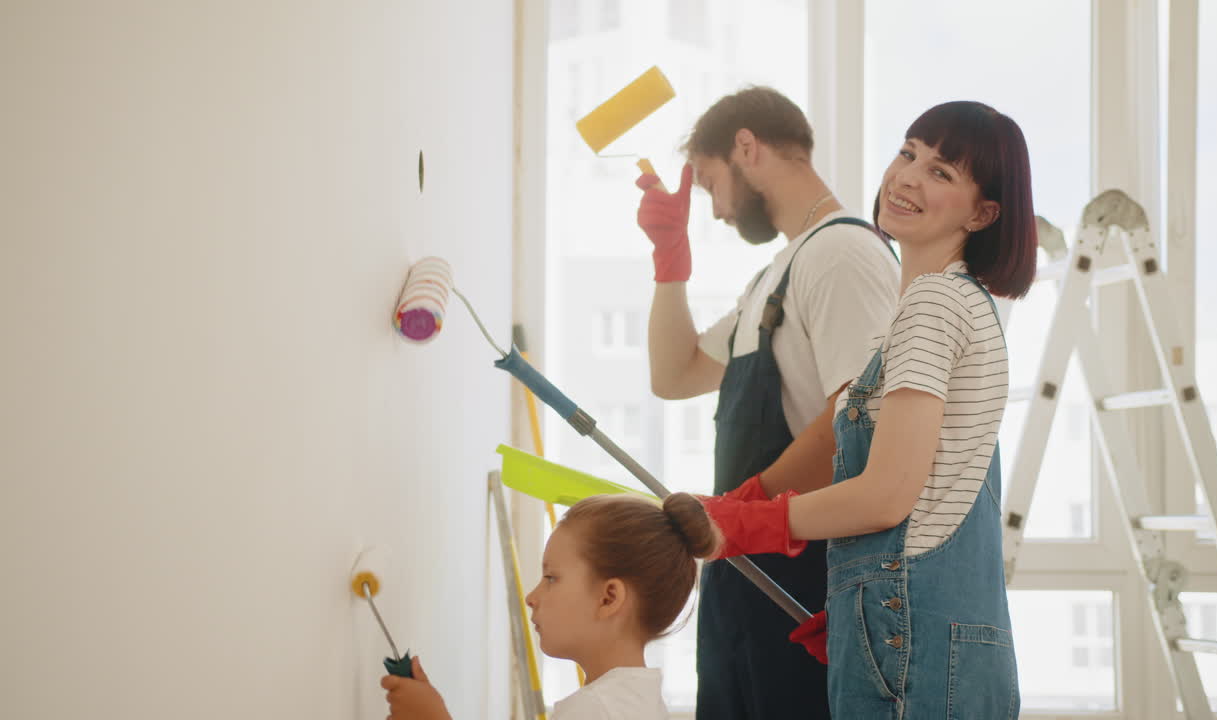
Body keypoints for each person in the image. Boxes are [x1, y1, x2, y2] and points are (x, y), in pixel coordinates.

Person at [699, 100, 1037, 719]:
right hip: (931, 638)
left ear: (983, 213)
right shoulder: (957, 304)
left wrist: (749, 521)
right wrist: (858, 605)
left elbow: (886, 496)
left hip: (916, 648)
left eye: (940, 172)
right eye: (908, 153)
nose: (907, 177)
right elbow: (939, 495)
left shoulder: (933, 307)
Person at [636, 86, 900, 719]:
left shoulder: (841, 255)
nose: (716, 210)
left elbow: (860, 423)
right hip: (748, 582)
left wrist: (747, 509)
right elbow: (674, 374)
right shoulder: (775, 276)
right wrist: (669, 264)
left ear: (746, 147)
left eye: (710, 183)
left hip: (808, 585)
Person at [381, 492, 717, 720]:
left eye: (551, 578)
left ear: (609, 598)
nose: (532, 596)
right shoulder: (636, 702)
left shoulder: (595, 711)